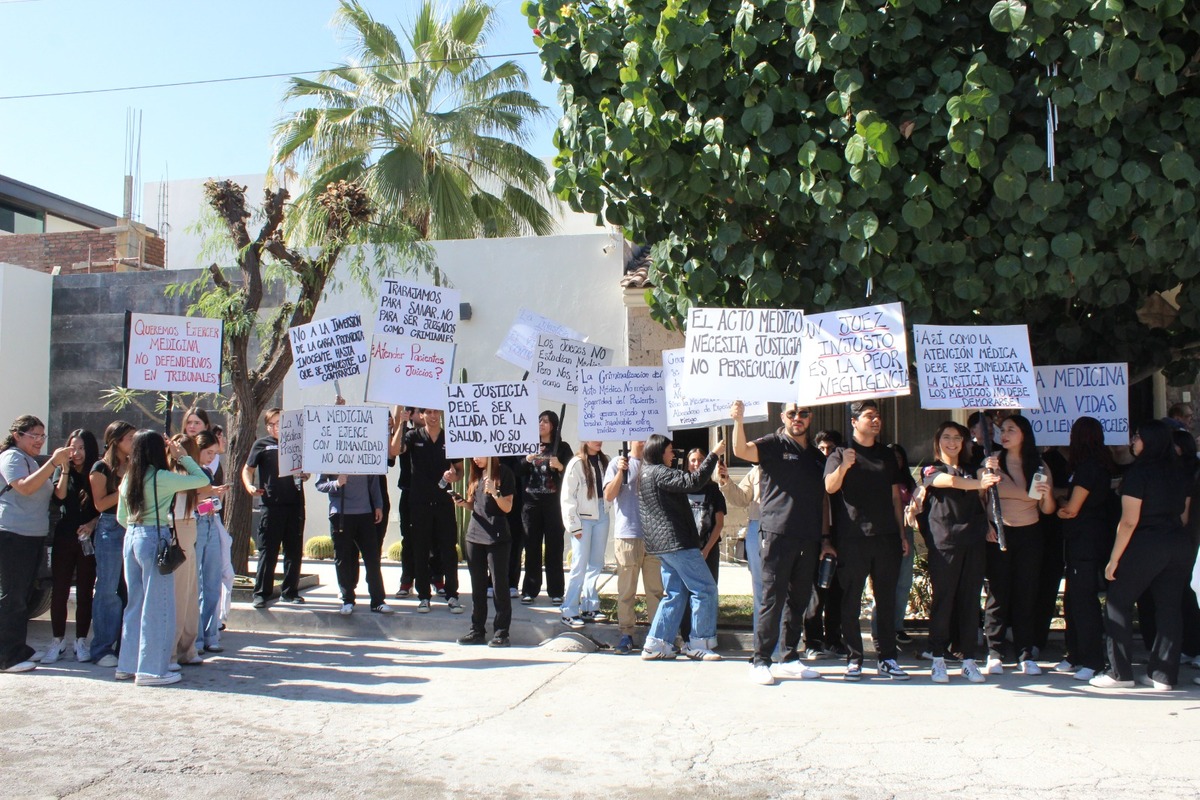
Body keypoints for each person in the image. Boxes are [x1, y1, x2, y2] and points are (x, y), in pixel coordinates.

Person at [734, 401, 832, 685]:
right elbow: (741, 451)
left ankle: (789, 658)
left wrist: (825, 538)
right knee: (772, 598)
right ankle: (760, 660)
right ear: (783, 417)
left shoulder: (816, 456)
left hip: (809, 536)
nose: (797, 418)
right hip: (777, 533)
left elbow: (824, 500)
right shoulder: (773, 443)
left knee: (799, 600)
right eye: (792, 414)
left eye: (803, 414)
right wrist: (738, 421)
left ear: (810, 417)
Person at [1091, 420, 1192, 690]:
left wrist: (1114, 559)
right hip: (1178, 542)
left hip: (1146, 541)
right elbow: (1183, 515)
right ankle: (1163, 676)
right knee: (1169, 607)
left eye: (1137, 436)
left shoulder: (1139, 473)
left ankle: (1119, 673)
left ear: (1149, 440)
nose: (1132, 441)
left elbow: (1128, 522)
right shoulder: (1179, 471)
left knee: (1118, 601)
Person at [824, 399, 910, 681]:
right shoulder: (840, 453)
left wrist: (901, 533)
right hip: (853, 538)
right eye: (869, 416)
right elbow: (829, 487)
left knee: (885, 599)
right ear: (854, 421)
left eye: (878, 416)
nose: (875, 420)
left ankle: (887, 658)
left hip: (886, 537)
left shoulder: (886, 455)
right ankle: (854, 658)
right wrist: (844, 466)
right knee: (850, 599)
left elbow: (895, 496)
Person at [116, 430, 210, 686]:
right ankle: (151, 670)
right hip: (153, 535)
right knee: (158, 605)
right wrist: (183, 457)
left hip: (131, 536)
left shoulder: (128, 479)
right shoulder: (161, 477)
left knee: (134, 604)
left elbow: (121, 518)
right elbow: (200, 479)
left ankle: (127, 664)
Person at [920, 422, 998, 684]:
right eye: (946, 437)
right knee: (944, 600)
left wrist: (989, 469)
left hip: (973, 541)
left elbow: (981, 478)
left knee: (969, 601)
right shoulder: (931, 469)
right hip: (945, 543)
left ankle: (968, 660)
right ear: (938, 440)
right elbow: (950, 481)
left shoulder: (971, 469)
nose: (952, 442)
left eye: (958, 437)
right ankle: (938, 658)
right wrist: (980, 482)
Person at [637, 434, 725, 662]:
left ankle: (656, 644)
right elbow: (693, 482)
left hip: (662, 546)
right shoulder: (659, 472)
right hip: (678, 542)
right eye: (669, 450)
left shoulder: (645, 474)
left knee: (675, 593)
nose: (672, 454)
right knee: (705, 588)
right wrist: (714, 455)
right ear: (658, 452)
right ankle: (699, 642)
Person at [983, 414, 1055, 676]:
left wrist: (1047, 496)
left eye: (1011, 430)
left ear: (1024, 434)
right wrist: (987, 526)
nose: (1004, 434)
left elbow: (1047, 509)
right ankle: (994, 652)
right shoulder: (992, 462)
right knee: (998, 593)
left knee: (1026, 593)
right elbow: (980, 500)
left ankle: (1026, 653)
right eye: (1002, 430)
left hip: (1030, 533)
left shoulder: (1038, 465)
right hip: (1000, 533)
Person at [0, 416, 71, 673]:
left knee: (24, 595)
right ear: (18, 435)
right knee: (12, 596)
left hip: (32, 535)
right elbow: (25, 488)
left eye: (43, 436)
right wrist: (53, 462)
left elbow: (58, 494)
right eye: (34, 436)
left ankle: (19, 649)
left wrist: (63, 469)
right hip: (12, 534)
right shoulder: (12, 457)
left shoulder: (31, 461)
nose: (40, 441)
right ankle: (6, 657)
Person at [1054, 416, 1117, 682]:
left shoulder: (1088, 468)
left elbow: (1072, 509)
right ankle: (1075, 654)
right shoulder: (1098, 465)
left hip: (1086, 543)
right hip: (1090, 541)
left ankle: (1091, 660)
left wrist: (1058, 507)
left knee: (1083, 602)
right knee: (1073, 599)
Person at [393, 407, 463, 613]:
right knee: (420, 549)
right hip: (419, 502)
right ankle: (424, 596)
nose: (433, 416)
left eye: (436, 412)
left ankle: (452, 595)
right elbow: (395, 450)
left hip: (443, 501)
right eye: (429, 412)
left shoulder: (450, 438)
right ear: (421, 415)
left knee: (448, 549)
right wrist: (401, 423)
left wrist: (454, 476)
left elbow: (459, 469)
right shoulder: (413, 436)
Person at [43, 429, 100, 664]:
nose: (76, 453)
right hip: (65, 535)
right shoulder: (62, 468)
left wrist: (92, 523)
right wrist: (64, 468)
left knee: (86, 590)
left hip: (88, 536)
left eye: (81, 448)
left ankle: (81, 641)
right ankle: (57, 640)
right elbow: (58, 497)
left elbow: (102, 507)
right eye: (72, 447)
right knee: (60, 589)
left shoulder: (96, 470)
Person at [242, 408, 307, 608]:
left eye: (280, 423)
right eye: (272, 424)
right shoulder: (261, 445)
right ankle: (262, 593)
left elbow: (306, 471)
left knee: (293, 551)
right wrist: (250, 486)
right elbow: (247, 468)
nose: (276, 428)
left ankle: (289, 592)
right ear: (267, 426)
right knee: (268, 550)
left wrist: (305, 475)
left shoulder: (297, 443)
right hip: (271, 504)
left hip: (295, 504)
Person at [603, 440, 663, 655]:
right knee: (626, 590)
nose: (641, 440)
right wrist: (621, 472)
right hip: (627, 535)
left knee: (655, 590)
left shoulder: (654, 463)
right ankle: (626, 634)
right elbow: (608, 496)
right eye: (636, 435)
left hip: (652, 536)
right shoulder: (616, 463)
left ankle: (657, 634)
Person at [455, 456, 516, 647]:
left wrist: (495, 493)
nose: (475, 458)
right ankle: (477, 629)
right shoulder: (476, 474)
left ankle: (501, 632)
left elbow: (508, 507)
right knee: (477, 586)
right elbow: (476, 505)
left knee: (499, 584)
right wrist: (464, 503)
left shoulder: (503, 473)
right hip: (474, 534)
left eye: (479, 454)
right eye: (473, 455)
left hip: (496, 534)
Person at [88, 420, 135, 668]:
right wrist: (127, 485)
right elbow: (101, 504)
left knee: (129, 590)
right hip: (110, 526)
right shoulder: (101, 467)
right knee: (107, 589)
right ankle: (102, 647)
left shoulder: (135, 465)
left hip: (133, 525)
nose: (133, 442)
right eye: (129, 438)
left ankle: (124, 644)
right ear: (116, 441)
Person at [316, 471, 391, 615]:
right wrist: (336, 484)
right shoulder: (329, 455)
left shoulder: (364, 452)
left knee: (372, 558)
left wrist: (378, 505)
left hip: (365, 513)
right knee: (343, 558)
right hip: (340, 513)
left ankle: (378, 601)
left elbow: (373, 480)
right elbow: (319, 484)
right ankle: (347, 600)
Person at [519, 410, 573, 605]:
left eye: (546, 422)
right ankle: (530, 590)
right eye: (539, 420)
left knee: (554, 548)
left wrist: (560, 466)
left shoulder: (563, 448)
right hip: (531, 504)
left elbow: (572, 473)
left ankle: (556, 591)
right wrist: (526, 460)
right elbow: (517, 470)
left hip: (553, 505)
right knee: (532, 548)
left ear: (554, 426)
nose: (541, 424)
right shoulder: (528, 445)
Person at [559, 441, 610, 628]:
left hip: (602, 513)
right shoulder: (576, 463)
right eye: (593, 437)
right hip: (583, 517)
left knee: (596, 563)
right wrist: (574, 525)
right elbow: (567, 497)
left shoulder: (606, 461)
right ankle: (569, 609)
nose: (598, 441)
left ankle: (591, 606)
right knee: (579, 564)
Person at [168, 434, 207, 669]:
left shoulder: (192, 472)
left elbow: (203, 488)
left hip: (189, 524)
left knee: (191, 591)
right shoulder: (168, 473)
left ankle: (187, 647)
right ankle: (171, 650)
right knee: (178, 594)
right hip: (175, 527)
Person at [679, 447, 725, 643]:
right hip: (685, 551)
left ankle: (706, 635)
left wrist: (706, 550)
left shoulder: (713, 489)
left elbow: (719, 523)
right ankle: (687, 635)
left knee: (708, 592)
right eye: (693, 460)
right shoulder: (680, 487)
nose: (696, 464)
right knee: (685, 593)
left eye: (700, 460)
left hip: (708, 550)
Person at [191, 431, 229, 653]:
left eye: (214, 454)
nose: (210, 457)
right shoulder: (190, 472)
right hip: (195, 525)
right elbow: (188, 503)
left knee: (212, 580)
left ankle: (210, 633)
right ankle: (195, 637)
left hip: (211, 523)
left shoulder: (208, 471)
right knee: (195, 582)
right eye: (208, 452)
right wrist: (208, 497)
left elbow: (211, 505)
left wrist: (215, 498)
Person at [718, 463, 762, 630]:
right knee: (760, 588)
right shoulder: (757, 470)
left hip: (784, 527)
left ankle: (784, 643)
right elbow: (741, 498)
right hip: (757, 526)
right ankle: (762, 644)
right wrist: (726, 481)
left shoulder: (791, 464)